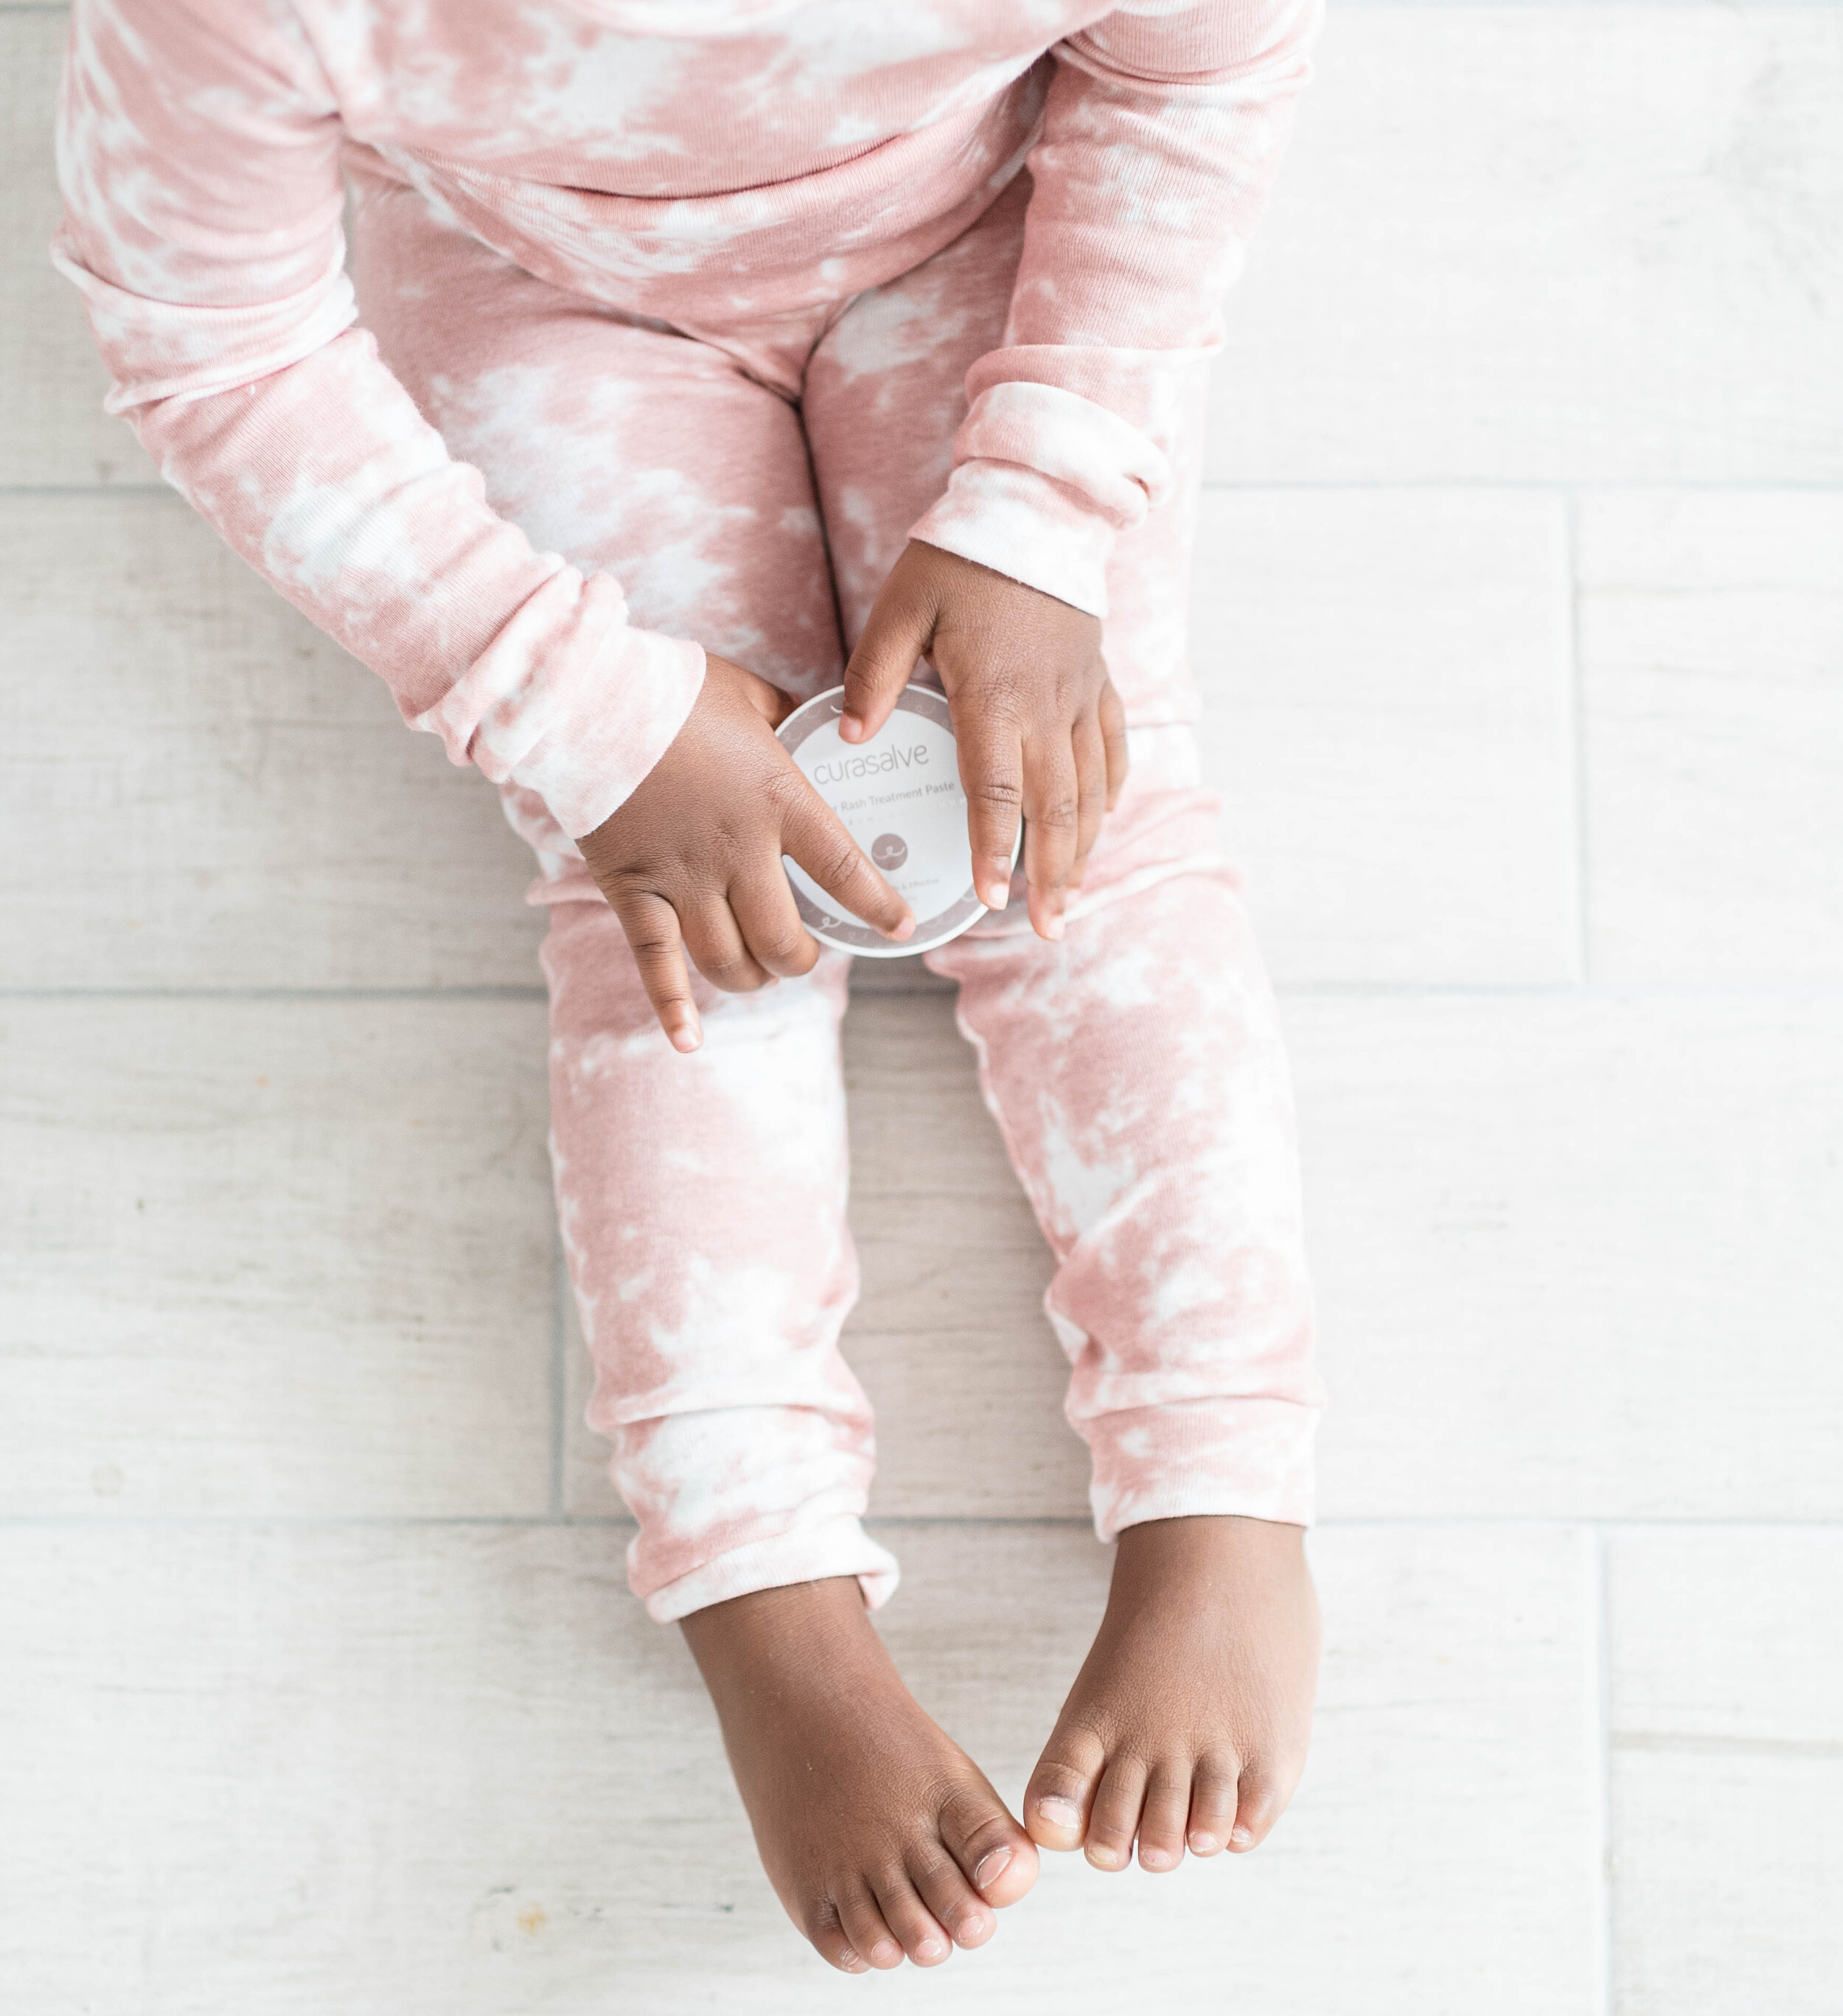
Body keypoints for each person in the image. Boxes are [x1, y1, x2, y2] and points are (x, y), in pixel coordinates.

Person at [56, 0, 1327, 1973]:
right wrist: (578, 708)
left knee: (1077, 840)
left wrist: (1042, 509)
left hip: (980, 228)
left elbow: (1195, 67)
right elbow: (212, 335)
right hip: (540, 283)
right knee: (679, 918)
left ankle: (1218, 1493)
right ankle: (762, 1588)